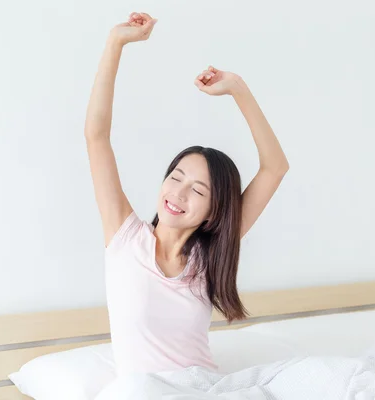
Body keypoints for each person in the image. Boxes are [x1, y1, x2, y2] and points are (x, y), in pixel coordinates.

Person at [84, 12, 289, 375]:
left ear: (213, 212)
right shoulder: (124, 237)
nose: (178, 193)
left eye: (198, 190)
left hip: (204, 389)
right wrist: (116, 42)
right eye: (176, 177)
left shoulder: (209, 257)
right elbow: (96, 135)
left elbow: (275, 167)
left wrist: (238, 88)